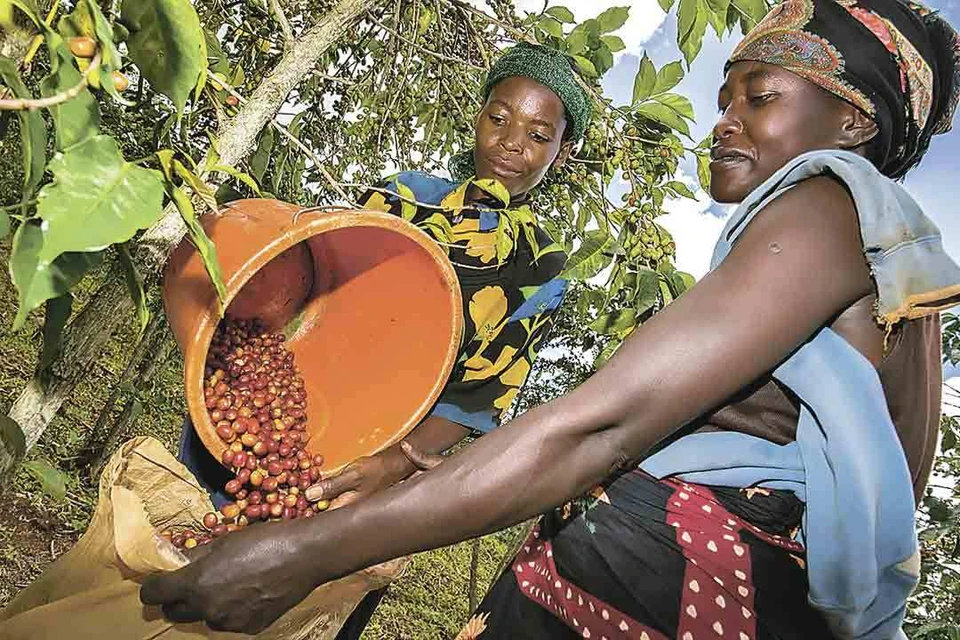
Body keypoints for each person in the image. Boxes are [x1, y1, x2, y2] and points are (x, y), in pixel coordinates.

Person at [142, 1, 960, 638]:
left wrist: (308, 549)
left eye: (761, 97)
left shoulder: (830, 202)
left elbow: (599, 427)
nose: (725, 121)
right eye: (723, 100)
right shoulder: (883, 270)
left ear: (854, 126)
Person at [172, 41, 591, 637]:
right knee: (197, 556)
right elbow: (308, 267)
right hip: (292, 402)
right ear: (478, 117)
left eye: (538, 133)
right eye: (499, 117)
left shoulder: (541, 267)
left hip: (380, 456)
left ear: (561, 152)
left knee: (310, 603)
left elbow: (482, 396)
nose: (511, 143)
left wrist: (391, 463)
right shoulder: (404, 196)